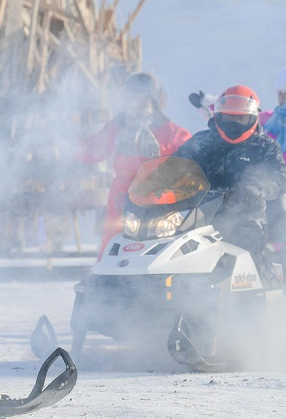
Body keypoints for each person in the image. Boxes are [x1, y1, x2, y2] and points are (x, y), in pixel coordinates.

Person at [174, 85, 286, 278]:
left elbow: (279, 178)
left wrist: (256, 188)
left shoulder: (265, 147)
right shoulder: (201, 142)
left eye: (240, 118)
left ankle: (251, 301)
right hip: (197, 217)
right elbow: (174, 166)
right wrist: (148, 191)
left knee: (246, 263)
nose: (234, 123)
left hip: (245, 218)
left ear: (252, 117)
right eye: (228, 117)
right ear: (218, 116)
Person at [79, 72, 192, 254]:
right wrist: (65, 144)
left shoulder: (169, 131)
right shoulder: (116, 128)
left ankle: (152, 279)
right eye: (133, 98)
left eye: (143, 98)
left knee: (154, 244)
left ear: (154, 100)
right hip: (121, 195)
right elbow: (92, 150)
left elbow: (190, 160)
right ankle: (107, 276)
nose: (137, 103)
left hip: (156, 195)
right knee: (114, 242)